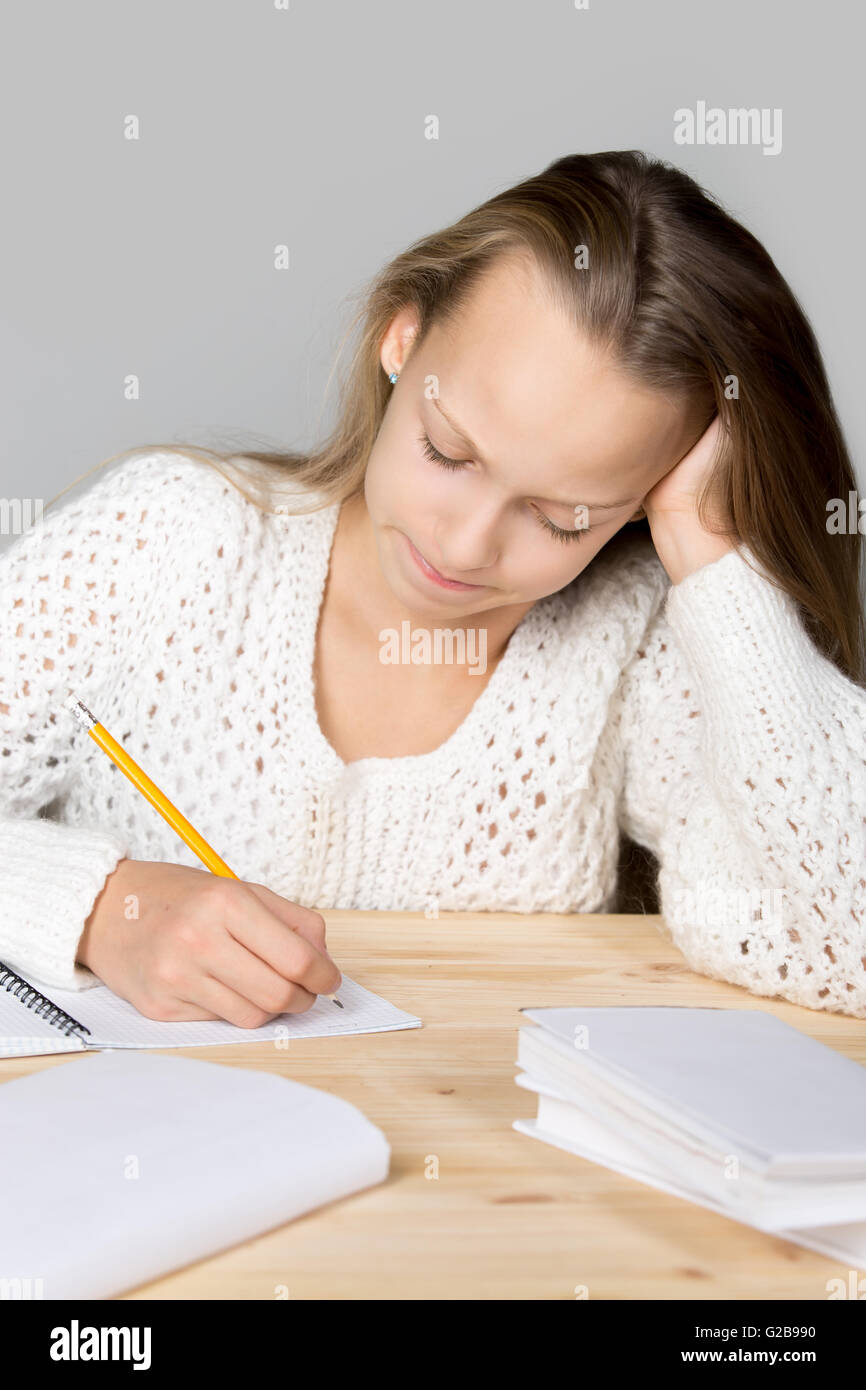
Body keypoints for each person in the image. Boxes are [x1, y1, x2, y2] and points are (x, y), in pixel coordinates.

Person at [1, 150, 864, 1024]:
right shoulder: (170, 537)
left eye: (563, 516)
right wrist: (101, 910)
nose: (465, 542)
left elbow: (845, 947)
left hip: (494, 1153)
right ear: (401, 339)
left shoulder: (634, 642)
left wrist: (718, 564)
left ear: (644, 502)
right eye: (448, 452)